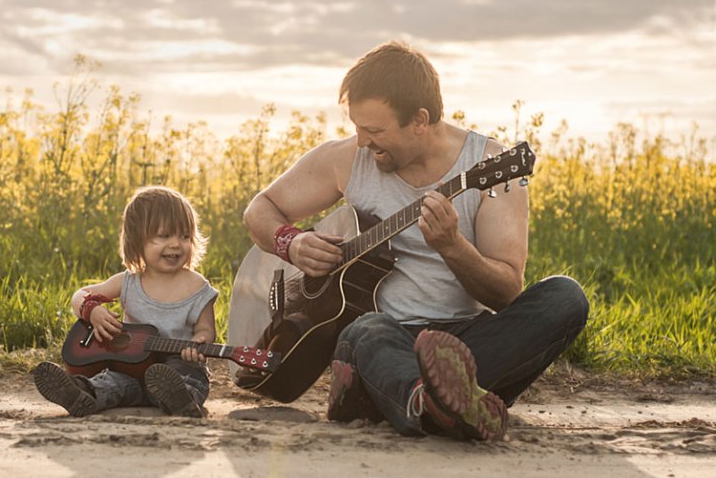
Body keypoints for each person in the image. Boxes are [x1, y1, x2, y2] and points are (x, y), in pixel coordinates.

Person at [243, 41, 589, 441]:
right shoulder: (347, 159)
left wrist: (453, 247)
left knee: (566, 297)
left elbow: (507, 293)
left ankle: (416, 400)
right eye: (357, 127)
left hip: (464, 343)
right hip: (384, 335)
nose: (362, 141)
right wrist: (291, 243)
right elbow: (260, 210)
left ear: (420, 120)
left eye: (375, 131)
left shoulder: (490, 166)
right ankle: (446, 403)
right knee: (365, 332)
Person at [34, 185, 218, 418]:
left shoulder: (197, 287)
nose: (175, 244)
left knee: (185, 380)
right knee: (112, 382)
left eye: (185, 236)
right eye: (164, 236)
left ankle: (181, 400)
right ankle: (80, 392)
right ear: (137, 241)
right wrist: (92, 311)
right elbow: (79, 295)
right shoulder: (128, 282)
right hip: (131, 368)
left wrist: (199, 342)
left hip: (179, 364)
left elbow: (206, 330)